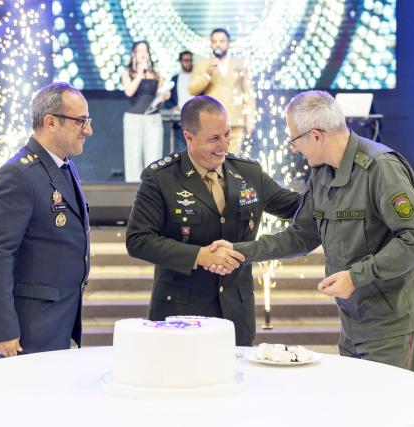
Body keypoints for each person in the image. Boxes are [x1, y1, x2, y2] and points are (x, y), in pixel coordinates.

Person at [210, 90, 414, 374]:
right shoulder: (322, 173)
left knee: (391, 403)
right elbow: (301, 235)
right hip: (353, 320)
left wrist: (356, 276)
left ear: (316, 136)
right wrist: (239, 251)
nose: (294, 148)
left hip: (393, 323)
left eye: (294, 139)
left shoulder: (380, 169)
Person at [125, 96, 300, 346]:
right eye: (214, 138)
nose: (224, 145)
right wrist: (200, 256)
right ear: (189, 137)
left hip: (236, 314)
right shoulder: (161, 178)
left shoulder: (248, 172)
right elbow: (138, 240)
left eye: (227, 134)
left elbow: (295, 207)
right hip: (180, 314)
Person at [0, 82, 92, 358]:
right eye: (80, 121)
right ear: (51, 122)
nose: (88, 130)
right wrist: (3, 329)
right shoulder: (18, 175)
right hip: (31, 325)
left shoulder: (64, 165)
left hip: (60, 315)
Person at [189, 28, 255, 154]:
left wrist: (250, 118)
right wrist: (207, 74)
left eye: (221, 41)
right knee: (214, 158)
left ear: (228, 43)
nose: (218, 44)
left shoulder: (240, 63)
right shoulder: (203, 64)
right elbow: (192, 89)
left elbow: (248, 92)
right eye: (214, 41)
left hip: (236, 121)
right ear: (211, 44)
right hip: (211, 121)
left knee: (233, 159)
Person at [122, 40, 170, 182]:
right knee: (133, 156)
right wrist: (139, 74)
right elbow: (129, 92)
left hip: (153, 118)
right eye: (139, 51)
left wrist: (164, 95)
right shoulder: (128, 73)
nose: (143, 54)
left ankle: (152, 189)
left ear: (149, 54)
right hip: (133, 118)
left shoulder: (156, 74)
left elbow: (160, 96)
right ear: (134, 55)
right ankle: (133, 190)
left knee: (154, 155)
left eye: (145, 51)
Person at [165, 50, 194, 152]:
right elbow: (168, 97)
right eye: (186, 60)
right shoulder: (175, 78)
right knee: (181, 147)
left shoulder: (197, 78)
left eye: (190, 60)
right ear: (180, 61)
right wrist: (172, 106)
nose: (188, 63)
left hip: (195, 116)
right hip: (180, 117)